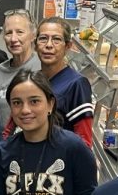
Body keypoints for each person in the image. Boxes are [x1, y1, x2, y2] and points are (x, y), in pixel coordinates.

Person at [35, 17, 95, 149]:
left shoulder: (76, 84)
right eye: (43, 38)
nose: (49, 45)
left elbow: (84, 142)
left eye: (56, 39)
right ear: (35, 45)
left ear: (67, 46)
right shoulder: (34, 81)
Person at [0, 9, 41, 138]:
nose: (13, 39)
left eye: (20, 32)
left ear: (33, 35)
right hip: (2, 145)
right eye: (8, 33)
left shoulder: (41, 67)